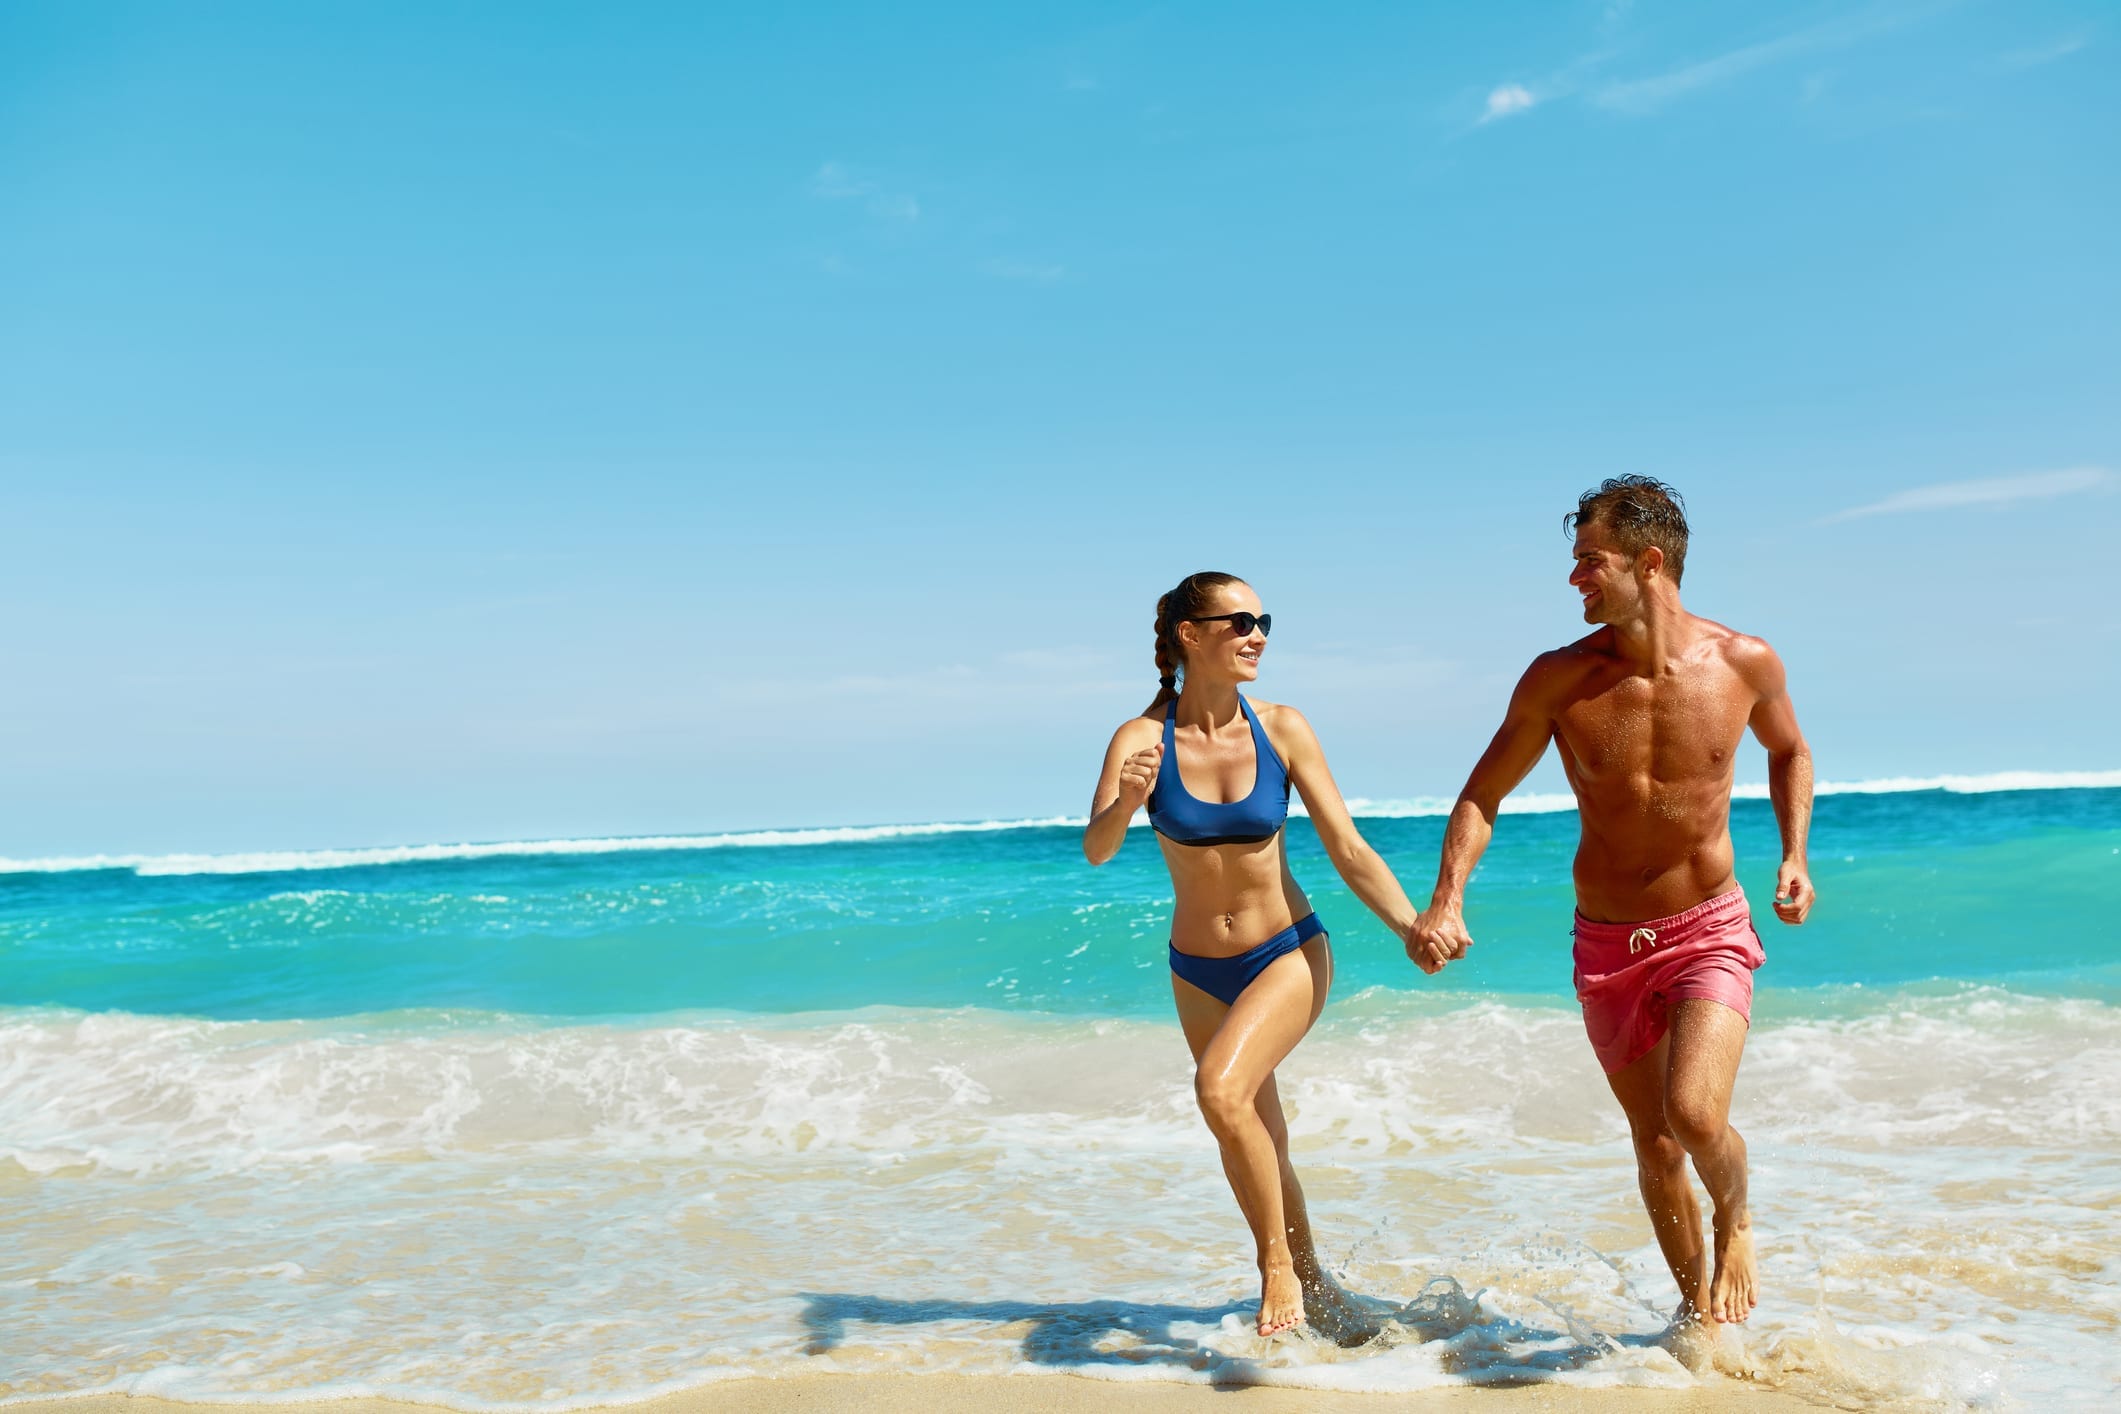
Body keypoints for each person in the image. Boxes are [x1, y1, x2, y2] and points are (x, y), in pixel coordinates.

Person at [1405, 477, 1815, 1331]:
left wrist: (1793, 856)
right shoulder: (1559, 679)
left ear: (1649, 562)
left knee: (1695, 1115)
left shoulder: (1745, 661)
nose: (1574, 580)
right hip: (1606, 943)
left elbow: (1788, 751)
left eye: (1589, 561)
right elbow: (1482, 794)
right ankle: (1694, 1310)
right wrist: (1446, 899)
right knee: (1654, 1142)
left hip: (1708, 923)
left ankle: (1735, 1214)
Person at [1084, 571, 1434, 1341]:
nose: (1257, 635)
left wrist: (1410, 924)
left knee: (1218, 1091)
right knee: (1255, 1130)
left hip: (1286, 951)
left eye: (1262, 619)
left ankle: (1274, 1267)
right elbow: (1098, 849)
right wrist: (1126, 800)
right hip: (1195, 969)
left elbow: (1346, 846)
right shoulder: (1139, 740)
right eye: (1239, 621)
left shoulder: (1282, 727)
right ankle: (1320, 1295)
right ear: (1188, 633)